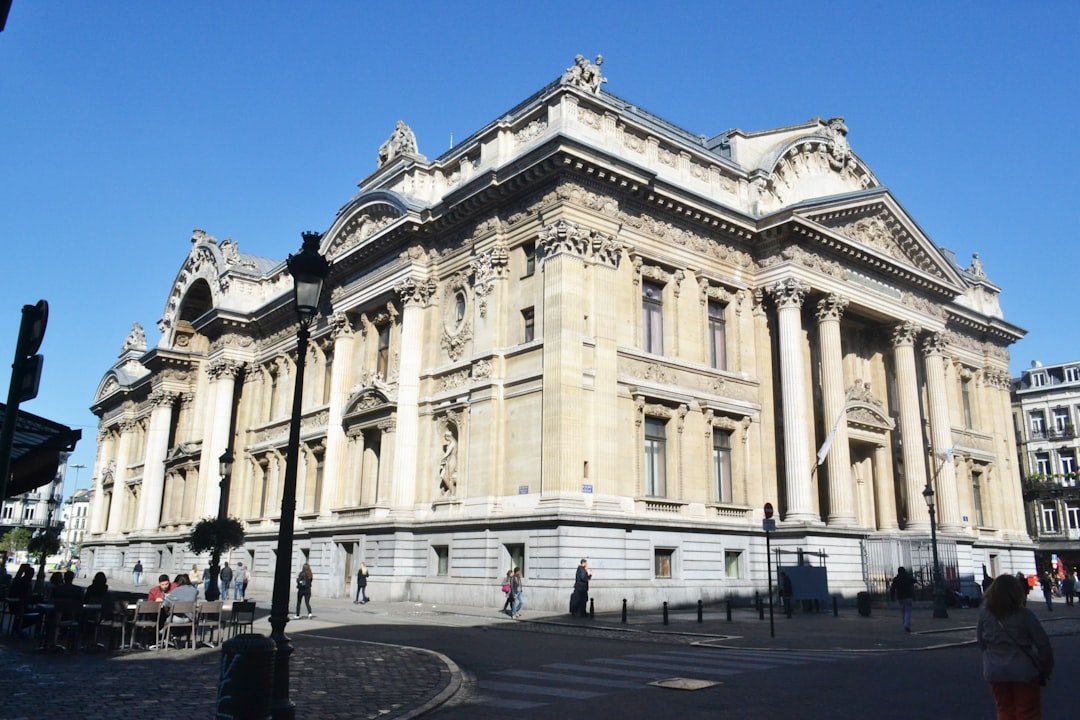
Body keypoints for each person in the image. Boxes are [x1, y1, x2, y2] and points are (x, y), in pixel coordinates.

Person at [978, 574, 1054, 719]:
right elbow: (1043, 644)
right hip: (1023, 670)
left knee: (1004, 709)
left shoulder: (985, 614)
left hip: (995, 670)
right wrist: (1046, 666)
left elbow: (981, 641)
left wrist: (991, 657)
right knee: (1027, 712)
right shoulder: (1024, 615)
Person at [891, 566, 916, 632]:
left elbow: (892, 588)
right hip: (908, 596)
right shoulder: (907, 577)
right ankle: (906, 624)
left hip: (900, 597)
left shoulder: (896, 579)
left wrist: (892, 597)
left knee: (903, 612)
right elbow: (914, 581)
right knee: (908, 611)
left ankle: (905, 623)